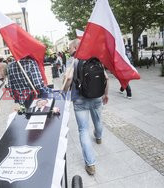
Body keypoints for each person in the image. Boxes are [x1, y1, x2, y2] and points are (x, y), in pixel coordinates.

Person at [63, 39, 109, 176]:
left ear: (76, 47)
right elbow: (106, 78)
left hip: (80, 100)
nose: (69, 50)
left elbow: (69, 79)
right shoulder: (94, 58)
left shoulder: (73, 60)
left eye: (70, 47)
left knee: (83, 130)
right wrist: (105, 94)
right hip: (96, 97)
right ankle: (99, 136)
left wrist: (64, 93)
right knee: (98, 120)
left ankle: (91, 164)